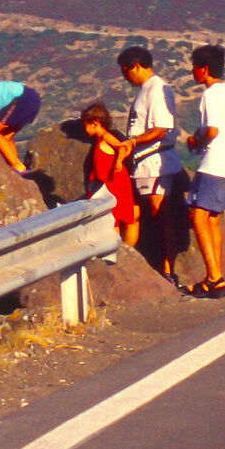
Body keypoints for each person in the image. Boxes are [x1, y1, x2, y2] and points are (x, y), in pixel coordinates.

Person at [183, 44, 225, 299]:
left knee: (197, 216)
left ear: (204, 69)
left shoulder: (210, 95)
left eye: (194, 67)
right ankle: (215, 277)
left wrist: (195, 141)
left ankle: (215, 278)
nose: (193, 71)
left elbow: (211, 131)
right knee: (212, 217)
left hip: (216, 162)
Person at [118, 45, 186, 282]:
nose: (125, 77)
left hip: (155, 162)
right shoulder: (146, 90)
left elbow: (160, 128)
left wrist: (132, 142)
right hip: (142, 162)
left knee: (161, 214)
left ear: (136, 66)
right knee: (144, 214)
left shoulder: (156, 89)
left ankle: (168, 270)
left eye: (125, 71)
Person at [77, 101, 143, 244]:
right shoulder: (99, 140)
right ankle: (121, 249)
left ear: (95, 123)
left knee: (119, 218)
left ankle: (122, 250)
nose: (84, 129)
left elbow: (122, 147)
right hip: (108, 182)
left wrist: (119, 160)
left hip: (115, 182)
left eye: (86, 125)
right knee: (115, 218)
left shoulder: (105, 137)